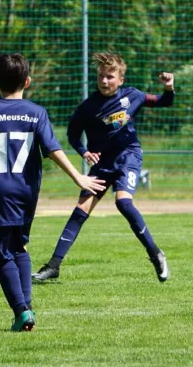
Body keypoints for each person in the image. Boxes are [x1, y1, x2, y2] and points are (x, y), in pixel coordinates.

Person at [0, 53, 105, 332]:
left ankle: (21, 311)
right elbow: (53, 149)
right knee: (20, 246)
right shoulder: (37, 112)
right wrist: (78, 177)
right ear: (28, 81)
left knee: (3, 252)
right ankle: (28, 309)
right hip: (26, 192)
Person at [32, 52, 174, 283]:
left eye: (110, 76)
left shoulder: (133, 96)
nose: (104, 81)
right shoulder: (88, 107)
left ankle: (156, 254)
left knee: (123, 202)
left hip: (128, 156)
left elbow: (164, 101)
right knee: (80, 211)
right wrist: (84, 152)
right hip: (102, 163)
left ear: (120, 80)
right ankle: (54, 265)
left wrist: (168, 87)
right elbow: (73, 134)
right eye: (101, 76)